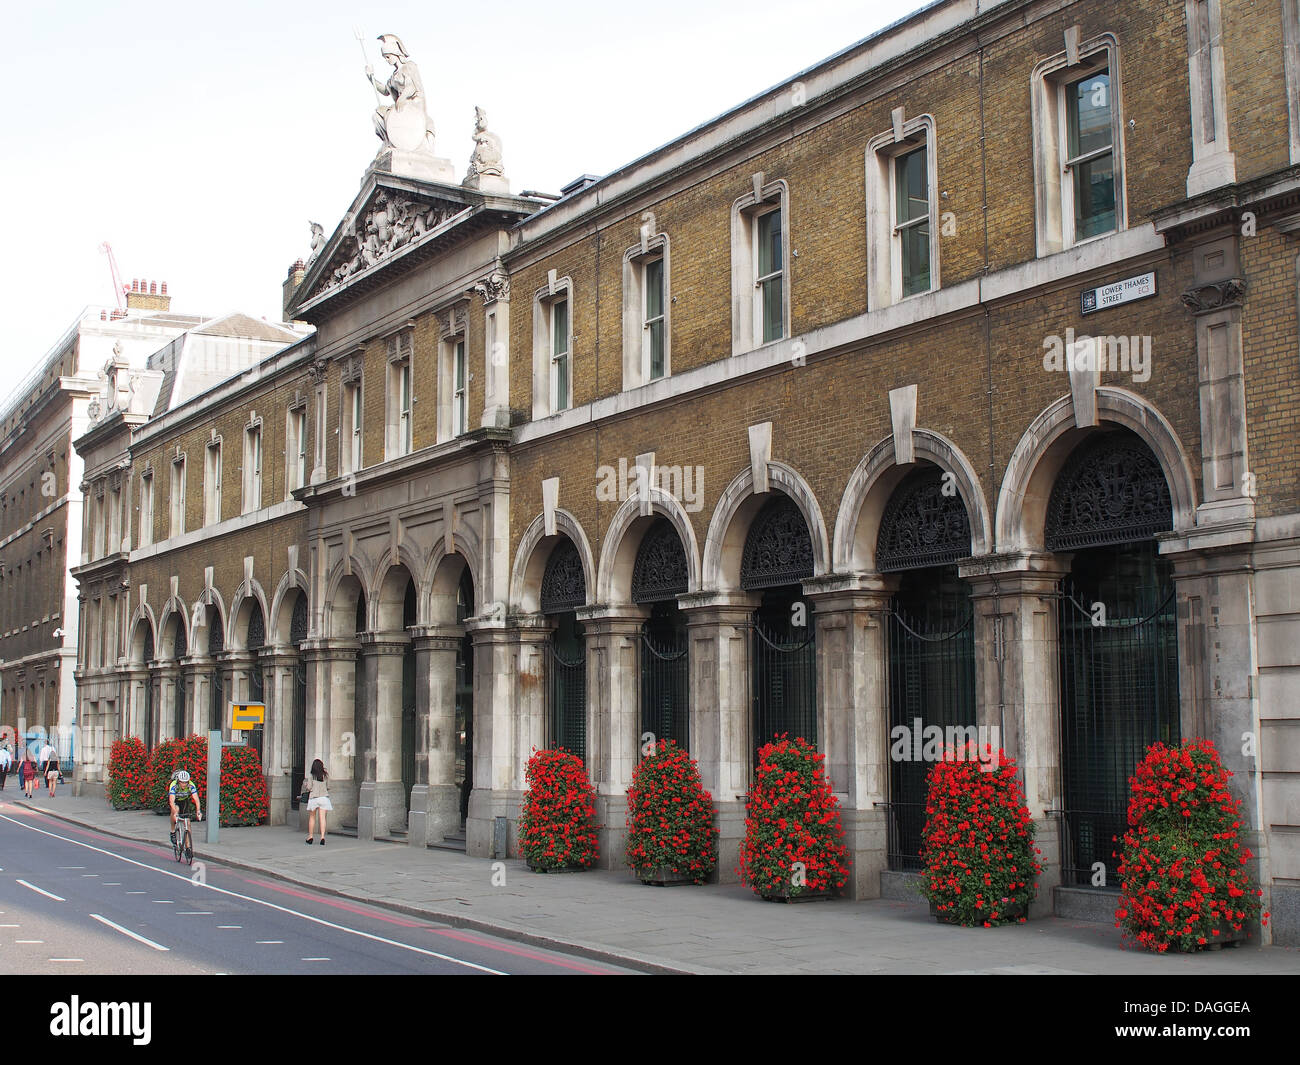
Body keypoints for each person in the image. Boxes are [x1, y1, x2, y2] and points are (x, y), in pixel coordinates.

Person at [167, 770, 203, 846]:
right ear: (178, 781)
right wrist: (175, 813)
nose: (184, 784)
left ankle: (188, 846)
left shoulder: (191, 785)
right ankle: (173, 831)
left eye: (186, 782)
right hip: (175, 801)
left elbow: (196, 799)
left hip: (184, 800)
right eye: (182, 782)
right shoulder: (174, 785)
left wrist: (198, 811)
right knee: (175, 810)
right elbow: (171, 802)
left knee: (188, 823)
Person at [304, 759, 332, 845]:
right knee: (322, 818)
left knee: (312, 818)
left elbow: (309, 787)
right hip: (324, 798)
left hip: (314, 798)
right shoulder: (325, 776)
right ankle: (322, 837)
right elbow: (329, 786)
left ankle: (310, 836)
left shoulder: (312, 776)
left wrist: (307, 786)